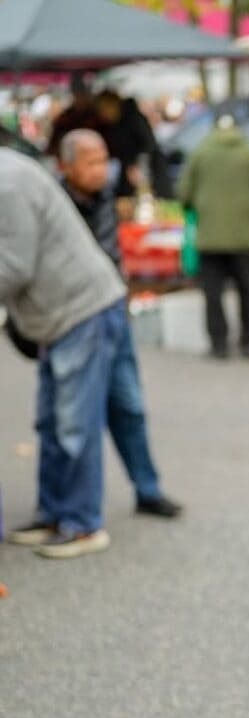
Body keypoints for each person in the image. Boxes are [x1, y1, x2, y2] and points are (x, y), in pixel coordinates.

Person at [0, 148, 129, 558]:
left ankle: (83, 524)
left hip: (81, 309)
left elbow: (14, 265)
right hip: (58, 316)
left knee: (74, 425)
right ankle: (54, 515)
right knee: (51, 423)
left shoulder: (8, 184)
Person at [58, 128, 182, 520]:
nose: (100, 170)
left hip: (113, 311)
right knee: (74, 419)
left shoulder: (107, 193)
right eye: (90, 162)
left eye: (103, 160)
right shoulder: (56, 204)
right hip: (75, 319)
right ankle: (70, 511)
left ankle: (148, 489)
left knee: (129, 406)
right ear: (66, 166)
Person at [177, 116, 249, 359]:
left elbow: (184, 194)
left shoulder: (200, 152)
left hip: (209, 237)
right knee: (248, 290)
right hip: (243, 236)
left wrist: (201, 213)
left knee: (213, 293)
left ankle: (219, 344)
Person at [94, 89, 170, 199]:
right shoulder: (118, 122)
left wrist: (137, 165)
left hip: (145, 171)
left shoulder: (132, 118)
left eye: (103, 110)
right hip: (132, 170)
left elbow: (148, 145)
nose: (102, 115)